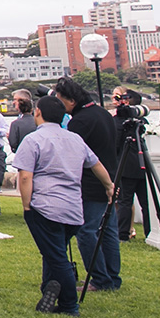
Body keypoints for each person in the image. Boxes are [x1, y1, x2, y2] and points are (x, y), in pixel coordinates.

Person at [12, 96, 114, 315]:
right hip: (73, 207)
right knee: (54, 251)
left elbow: (25, 177)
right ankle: (50, 287)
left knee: (57, 257)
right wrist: (109, 186)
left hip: (46, 205)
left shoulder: (33, 140)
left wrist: (27, 205)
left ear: (37, 113)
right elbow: (96, 164)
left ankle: (69, 304)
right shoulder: (74, 138)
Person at [57, 78, 121, 293]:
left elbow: (75, 154)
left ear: (72, 101)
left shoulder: (80, 121)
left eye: (61, 100)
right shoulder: (102, 113)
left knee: (86, 231)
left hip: (91, 182)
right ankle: (111, 276)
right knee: (109, 230)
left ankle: (101, 278)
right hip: (109, 178)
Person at [109, 88, 149, 238]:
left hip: (126, 165)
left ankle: (123, 233)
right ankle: (149, 231)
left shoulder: (118, 121)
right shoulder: (142, 122)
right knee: (145, 202)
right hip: (142, 164)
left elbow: (116, 143)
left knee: (125, 200)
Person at [5, 91, 41, 155]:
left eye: (15, 100)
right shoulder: (39, 120)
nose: (13, 102)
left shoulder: (16, 123)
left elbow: (13, 145)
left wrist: (10, 138)